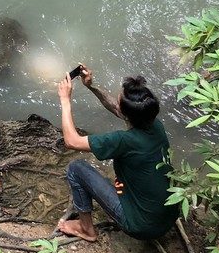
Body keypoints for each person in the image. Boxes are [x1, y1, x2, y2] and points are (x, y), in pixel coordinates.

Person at [55, 65, 179, 243]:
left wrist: (65, 100)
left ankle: (86, 229)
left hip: (141, 226)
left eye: (119, 98)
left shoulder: (123, 141)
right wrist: (91, 86)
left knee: (76, 168)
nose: (117, 100)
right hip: (167, 217)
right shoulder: (153, 123)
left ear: (127, 114)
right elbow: (117, 108)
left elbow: (71, 141)